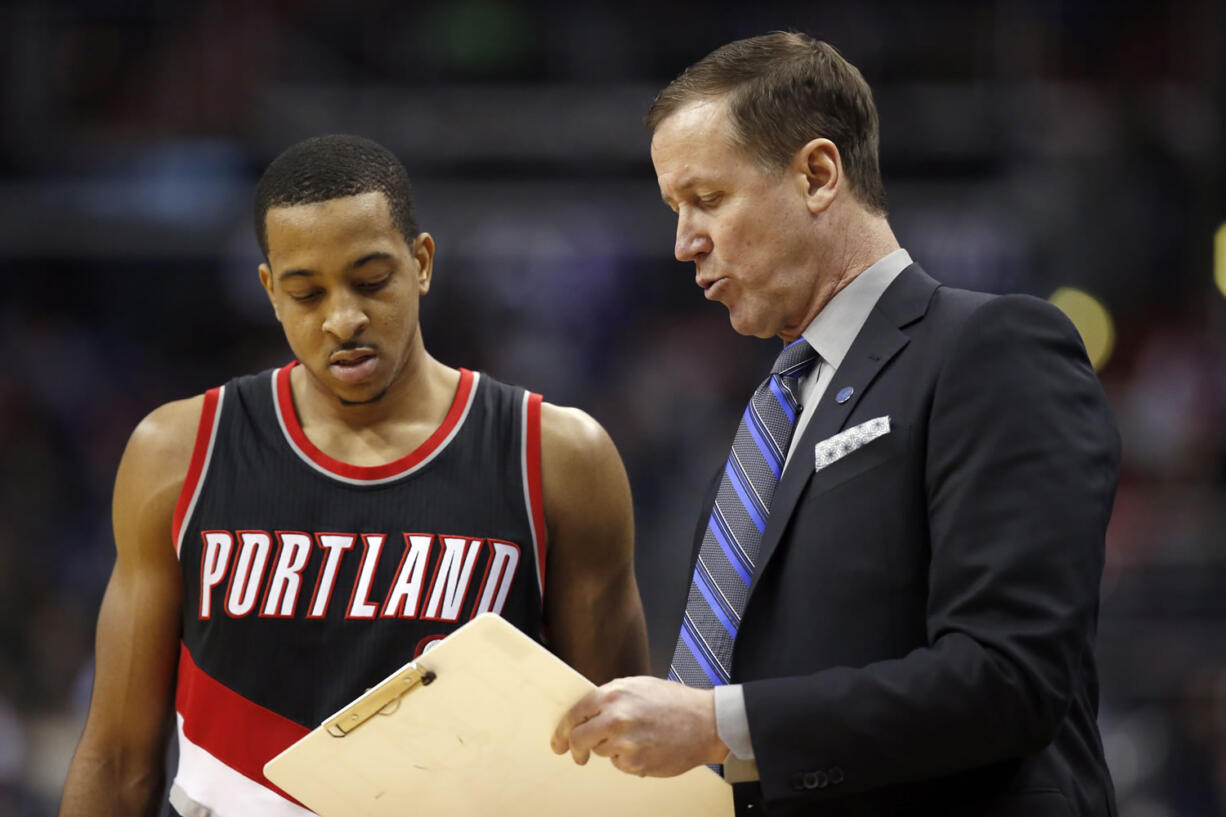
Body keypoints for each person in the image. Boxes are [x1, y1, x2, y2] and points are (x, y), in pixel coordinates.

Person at [551, 32, 1120, 816]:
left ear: (818, 174)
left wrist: (718, 724)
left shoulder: (991, 348)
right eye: (674, 209)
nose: (684, 243)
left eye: (707, 199)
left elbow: (1010, 675)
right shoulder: (761, 425)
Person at [59, 134, 650, 817]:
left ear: (422, 263)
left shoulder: (556, 457)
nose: (344, 319)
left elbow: (618, 769)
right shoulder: (176, 452)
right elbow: (116, 758)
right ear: (269, 293)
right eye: (306, 293)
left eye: (372, 281)